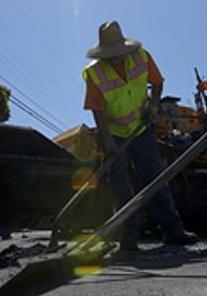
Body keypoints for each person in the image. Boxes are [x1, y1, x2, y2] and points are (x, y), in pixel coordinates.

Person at [82, 21, 198, 251]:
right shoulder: (94, 73)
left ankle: (173, 231)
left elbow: (157, 83)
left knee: (154, 178)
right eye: (110, 55)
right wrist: (107, 141)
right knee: (121, 187)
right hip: (113, 133)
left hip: (141, 128)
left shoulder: (141, 57)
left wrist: (153, 107)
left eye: (117, 54)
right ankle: (128, 240)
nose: (115, 59)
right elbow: (98, 109)